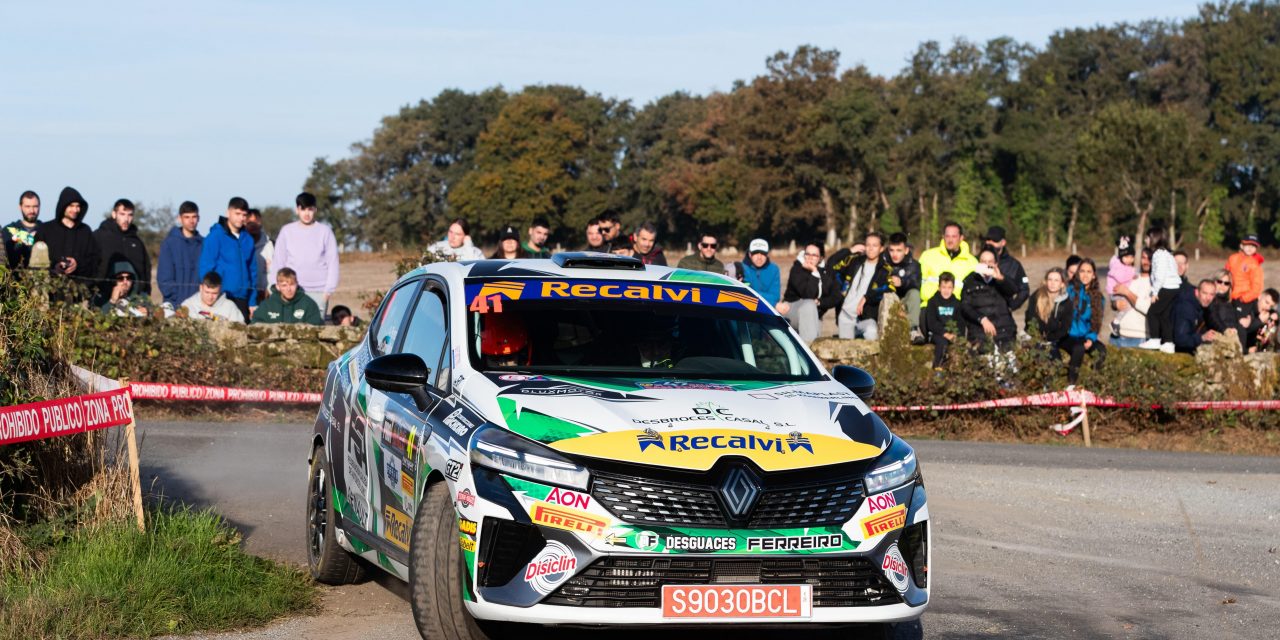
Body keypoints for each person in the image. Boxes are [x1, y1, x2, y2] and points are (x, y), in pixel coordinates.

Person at [271, 192, 339, 314]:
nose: (307, 213)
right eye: (303, 209)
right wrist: (276, 286)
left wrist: (328, 291)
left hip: (319, 291)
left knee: (315, 330)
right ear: (297, 210)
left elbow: (333, 262)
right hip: (292, 290)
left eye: (310, 209)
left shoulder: (325, 231)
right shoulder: (287, 231)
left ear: (315, 210)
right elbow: (278, 260)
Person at [197, 197, 258, 320]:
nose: (241, 218)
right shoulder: (215, 237)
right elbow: (206, 268)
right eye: (237, 214)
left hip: (242, 298)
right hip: (220, 298)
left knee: (241, 336)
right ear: (228, 213)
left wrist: (252, 301)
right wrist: (210, 294)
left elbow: (253, 272)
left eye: (244, 215)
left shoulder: (248, 240)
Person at [36, 187, 100, 291]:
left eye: (78, 206)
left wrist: (77, 264)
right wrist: (54, 267)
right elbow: (36, 260)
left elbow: (94, 260)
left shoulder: (85, 231)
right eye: (71, 206)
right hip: (49, 291)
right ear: (63, 206)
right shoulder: (46, 230)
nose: (75, 210)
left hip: (79, 292)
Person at [777, 243, 841, 344]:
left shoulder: (828, 272)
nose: (810, 258)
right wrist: (814, 272)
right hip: (791, 310)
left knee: (816, 338)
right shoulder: (797, 269)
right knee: (809, 305)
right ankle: (807, 353)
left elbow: (836, 296)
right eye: (807, 254)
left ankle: (809, 352)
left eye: (814, 255)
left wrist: (820, 302)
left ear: (821, 258)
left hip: (814, 314)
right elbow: (808, 295)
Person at [958, 247, 1017, 350]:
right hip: (979, 332)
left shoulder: (1001, 279)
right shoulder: (970, 281)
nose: (987, 264)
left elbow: (1013, 291)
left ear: (996, 264)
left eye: (990, 261)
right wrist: (982, 319)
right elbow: (965, 306)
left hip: (1004, 332)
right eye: (983, 261)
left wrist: (1000, 279)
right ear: (979, 263)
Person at [834, 232, 890, 340]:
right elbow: (833, 268)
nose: (870, 248)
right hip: (845, 315)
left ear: (881, 248)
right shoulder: (853, 261)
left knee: (871, 333)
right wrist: (849, 251)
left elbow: (888, 289)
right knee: (847, 352)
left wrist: (867, 297)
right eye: (868, 245)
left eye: (874, 245)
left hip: (866, 318)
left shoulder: (885, 270)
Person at [94, 198, 152, 299]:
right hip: (103, 298)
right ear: (114, 214)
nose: (126, 219)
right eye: (122, 214)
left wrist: (144, 295)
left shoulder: (137, 242)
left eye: (130, 215)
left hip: (133, 300)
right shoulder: (99, 237)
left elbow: (145, 271)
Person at [1060, 258, 1106, 383]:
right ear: (1077, 273)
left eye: (1089, 272)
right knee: (1079, 348)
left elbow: (1097, 322)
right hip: (1068, 335)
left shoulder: (1098, 297)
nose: (1085, 275)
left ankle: (1094, 383)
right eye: (1082, 271)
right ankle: (1071, 384)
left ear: (1094, 275)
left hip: (1085, 335)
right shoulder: (1069, 290)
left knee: (1101, 351)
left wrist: (1091, 338)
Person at [919, 221, 979, 311]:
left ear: (961, 238)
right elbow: (917, 283)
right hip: (929, 306)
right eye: (947, 236)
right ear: (943, 237)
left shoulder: (972, 262)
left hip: (958, 309)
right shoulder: (927, 256)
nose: (950, 240)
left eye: (954, 236)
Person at [1141, 227, 1182, 354]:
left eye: (1147, 237)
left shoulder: (1159, 254)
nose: (1145, 240)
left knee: (1152, 313)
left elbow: (1160, 275)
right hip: (1173, 287)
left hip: (1166, 287)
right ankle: (1168, 343)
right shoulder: (1167, 254)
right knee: (1164, 316)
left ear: (1154, 239)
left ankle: (1154, 339)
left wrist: (1155, 292)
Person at [157, 201, 205, 308]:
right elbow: (164, 278)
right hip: (175, 304)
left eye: (194, 217)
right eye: (187, 217)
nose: (191, 221)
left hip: (199, 306)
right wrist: (176, 299)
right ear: (179, 218)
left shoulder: (204, 244)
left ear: (199, 218)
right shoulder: (169, 243)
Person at [884, 233, 924, 344]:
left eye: (899, 250)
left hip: (904, 301)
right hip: (885, 300)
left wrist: (902, 282)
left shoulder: (914, 265)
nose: (894, 254)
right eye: (892, 250)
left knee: (915, 293)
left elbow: (916, 283)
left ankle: (913, 330)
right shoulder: (882, 262)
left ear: (906, 250)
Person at [1111, 249, 1153, 348]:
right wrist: (1115, 304)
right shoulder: (1130, 277)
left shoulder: (1155, 283)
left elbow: (1149, 309)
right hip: (1117, 337)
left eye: (1149, 259)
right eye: (1143, 258)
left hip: (1140, 338)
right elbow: (1114, 298)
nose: (1146, 262)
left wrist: (1127, 292)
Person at [253, 267, 323, 325]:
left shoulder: (308, 304)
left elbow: (317, 326)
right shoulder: (267, 305)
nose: (289, 289)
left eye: (292, 284)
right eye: (284, 285)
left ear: (297, 284)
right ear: (278, 286)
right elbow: (255, 325)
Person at [983, 225, 1029, 311]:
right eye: (988, 240)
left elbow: (1024, 290)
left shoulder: (1014, 264)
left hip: (1001, 315)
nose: (990, 243)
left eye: (994, 240)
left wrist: (1011, 307)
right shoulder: (975, 260)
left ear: (1003, 242)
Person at [1025, 267, 1071, 347]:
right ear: (1046, 281)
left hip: (1055, 340)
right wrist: (1040, 337)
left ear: (1062, 284)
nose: (1052, 283)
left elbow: (1065, 327)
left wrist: (1051, 338)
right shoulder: (1036, 296)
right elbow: (1030, 319)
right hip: (1034, 338)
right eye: (1050, 279)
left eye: (1056, 280)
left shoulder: (1066, 302)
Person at [924, 272, 961, 369]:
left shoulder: (957, 303)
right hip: (937, 334)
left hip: (952, 333)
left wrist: (956, 334)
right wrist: (945, 333)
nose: (946, 291)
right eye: (944, 287)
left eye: (949, 287)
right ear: (939, 287)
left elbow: (960, 322)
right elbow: (931, 323)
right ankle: (938, 367)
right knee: (942, 343)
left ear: (953, 289)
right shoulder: (932, 302)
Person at [1172, 279, 1220, 354]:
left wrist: (1226, 329)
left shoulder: (1204, 304)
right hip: (1175, 351)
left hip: (1189, 346)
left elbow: (1215, 320)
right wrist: (1202, 338)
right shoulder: (1186, 308)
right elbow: (1180, 339)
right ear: (1197, 292)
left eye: (1211, 294)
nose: (1208, 298)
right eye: (1205, 293)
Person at [1207, 269, 1249, 349]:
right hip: (1219, 339)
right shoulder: (1211, 300)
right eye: (1219, 281)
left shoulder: (1232, 303)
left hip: (1236, 343)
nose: (1222, 285)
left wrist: (1249, 319)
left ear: (1230, 286)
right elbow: (1213, 317)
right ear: (1214, 281)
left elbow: (1242, 316)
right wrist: (1225, 330)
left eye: (1226, 283)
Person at [180, 271, 245, 323]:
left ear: (220, 290)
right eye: (207, 292)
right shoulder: (188, 306)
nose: (210, 297)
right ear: (201, 288)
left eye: (214, 293)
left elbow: (240, 328)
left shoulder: (230, 307)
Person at [1226, 235, 1264, 315]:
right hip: (1229, 298)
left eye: (1253, 246)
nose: (1250, 248)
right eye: (1248, 245)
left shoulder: (1254, 264)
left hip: (1244, 301)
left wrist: (1243, 299)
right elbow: (1225, 275)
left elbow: (1257, 287)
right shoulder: (1232, 258)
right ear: (1241, 245)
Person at [1106, 236, 1137, 336]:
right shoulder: (1117, 266)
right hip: (1115, 291)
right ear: (1121, 257)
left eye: (1132, 257)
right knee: (1127, 306)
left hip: (1118, 291)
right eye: (1127, 257)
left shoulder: (1126, 266)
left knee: (1127, 306)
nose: (1129, 260)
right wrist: (1132, 275)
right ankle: (1115, 322)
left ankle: (1117, 323)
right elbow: (1121, 278)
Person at [3, 191, 41, 269]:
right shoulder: (8, 230)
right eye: (27, 206)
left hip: (42, 278)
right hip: (15, 278)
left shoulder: (47, 229)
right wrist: (30, 238)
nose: (32, 211)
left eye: (35, 206)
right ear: (20, 207)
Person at [245, 208, 274, 306]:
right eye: (249, 221)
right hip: (244, 295)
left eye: (256, 220)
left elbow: (272, 271)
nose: (253, 224)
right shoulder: (238, 245)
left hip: (264, 297)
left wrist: (269, 290)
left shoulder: (270, 245)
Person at [741, 238, 781, 306]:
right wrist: (772, 302)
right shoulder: (741, 268)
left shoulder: (774, 269)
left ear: (767, 255)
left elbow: (775, 296)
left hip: (768, 309)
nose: (759, 257)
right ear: (750, 254)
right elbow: (745, 295)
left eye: (763, 253)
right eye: (756, 253)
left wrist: (754, 294)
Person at [1249, 289, 1279, 353]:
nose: (1267, 307)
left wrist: (1276, 317)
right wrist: (1259, 321)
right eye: (1266, 302)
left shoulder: (1270, 313)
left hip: (1263, 351)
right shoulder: (1248, 308)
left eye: (1271, 306)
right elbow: (1243, 330)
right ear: (1259, 296)